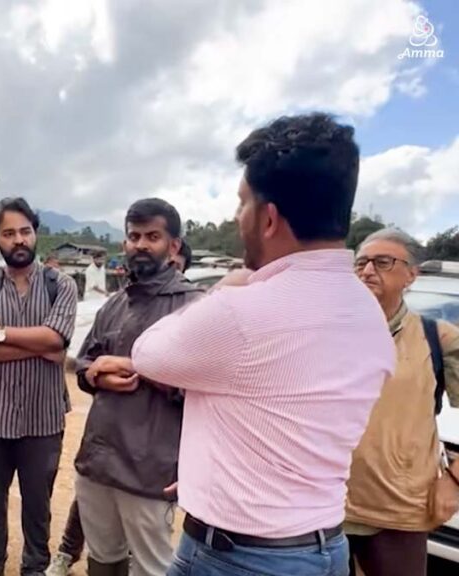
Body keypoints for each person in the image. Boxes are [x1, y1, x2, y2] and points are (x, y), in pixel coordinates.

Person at [94, 113, 396, 575]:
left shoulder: (242, 309)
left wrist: (227, 287)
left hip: (241, 557)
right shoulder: (366, 312)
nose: (238, 218)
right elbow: (281, 413)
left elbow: (148, 353)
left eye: (242, 204)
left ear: (269, 217)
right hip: (323, 546)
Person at [70, 199, 204, 576]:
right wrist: (95, 374)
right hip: (97, 461)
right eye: (133, 236)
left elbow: (201, 387)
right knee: (102, 558)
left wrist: (139, 369)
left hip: (149, 471)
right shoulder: (114, 304)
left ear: (173, 246)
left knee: (151, 567)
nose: (141, 245)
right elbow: (83, 363)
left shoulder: (193, 307)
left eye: (152, 236)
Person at [0, 197, 78, 576]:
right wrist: (41, 345)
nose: (18, 240)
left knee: (37, 500)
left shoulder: (61, 285)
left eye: (24, 231)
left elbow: (58, 338)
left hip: (43, 418)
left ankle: (35, 564)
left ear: (36, 234)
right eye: (8, 233)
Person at [345, 228, 459, 576]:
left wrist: (454, 481)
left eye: (383, 262)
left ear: (412, 274)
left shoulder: (436, 337)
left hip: (397, 513)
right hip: (320, 509)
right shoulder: (328, 332)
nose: (367, 271)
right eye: (361, 262)